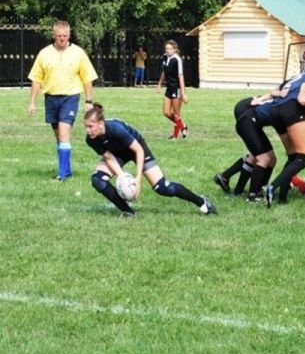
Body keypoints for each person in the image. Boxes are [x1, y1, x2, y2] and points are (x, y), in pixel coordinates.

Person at [84, 103, 217, 217]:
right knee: (98, 179)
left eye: (90, 126)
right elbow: (109, 157)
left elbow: (138, 150)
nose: (87, 130)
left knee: (163, 187)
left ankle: (202, 202)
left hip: (137, 148)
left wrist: (137, 180)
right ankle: (128, 212)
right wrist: (122, 177)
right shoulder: (91, 139)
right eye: (86, 126)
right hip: (117, 153)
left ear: (101, 123)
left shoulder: (116, 129)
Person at [27, 19, 98, 180]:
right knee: (58, 136)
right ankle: (67, 169)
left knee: (64, 133)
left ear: (69, 35)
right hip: (51, 98)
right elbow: (36, 79)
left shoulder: (78, 53)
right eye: (59, 36)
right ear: (53, 35)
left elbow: (87, 77)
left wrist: (88, 100)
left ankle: (62, 174)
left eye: (65, 36)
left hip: (70, 97)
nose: (62, 39)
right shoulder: (44, 53)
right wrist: (32, 102)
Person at [156, 39, 188, 140]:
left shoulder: (177, 60)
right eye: (166, 48)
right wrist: (159, 84)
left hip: (176, 88)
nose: (168, 50)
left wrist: (183, 93)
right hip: (169, 88)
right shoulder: (165, 57)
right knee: (166, 112)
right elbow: (164, 72)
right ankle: (183, 125)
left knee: (176, 113)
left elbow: (181, 76)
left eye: (170, 48)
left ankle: (175, 136)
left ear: (174, 49)